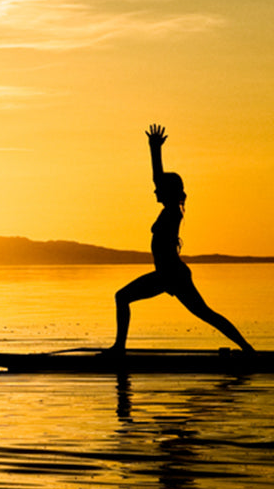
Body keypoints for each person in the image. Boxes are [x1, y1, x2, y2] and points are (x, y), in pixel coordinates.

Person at [108, 124, 254, 354]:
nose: (154, 191)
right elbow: (158, 178)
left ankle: (118, 349)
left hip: (171, 275)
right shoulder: (169, 208)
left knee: (203, 312)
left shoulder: (173, 211)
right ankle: (247, 348)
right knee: (204, 313)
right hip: (168, 274)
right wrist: (153, 148)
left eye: (159, 189)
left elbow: (159, 180)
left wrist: (155, 150)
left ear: (167, 192)